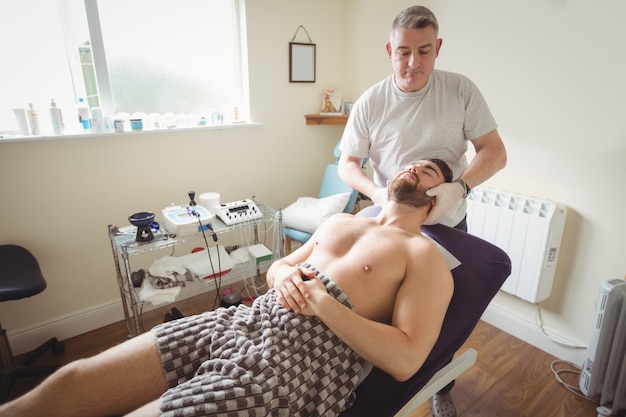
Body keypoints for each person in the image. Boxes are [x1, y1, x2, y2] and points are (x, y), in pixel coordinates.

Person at [0, 159, 454, 417]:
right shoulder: (340, 221)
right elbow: (278, 268)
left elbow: (406, 359)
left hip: (286, 371)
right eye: (413, 160)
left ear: (437, 200)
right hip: (239, 322)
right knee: (74, 379)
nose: (416, 164)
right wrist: (282, 275)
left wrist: (323, 304)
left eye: (430, 168)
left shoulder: (425, 258)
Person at [338, 5, 507, 232]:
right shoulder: (370, 102)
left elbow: (495, 152)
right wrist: (376, 193)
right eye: (403, 52)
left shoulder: (461, 90)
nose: (413, 63)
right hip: (392, 223)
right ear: (390, 51)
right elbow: (348, 163)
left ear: (437, 48)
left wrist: (459, 188)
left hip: (449, 223)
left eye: (424, 51)